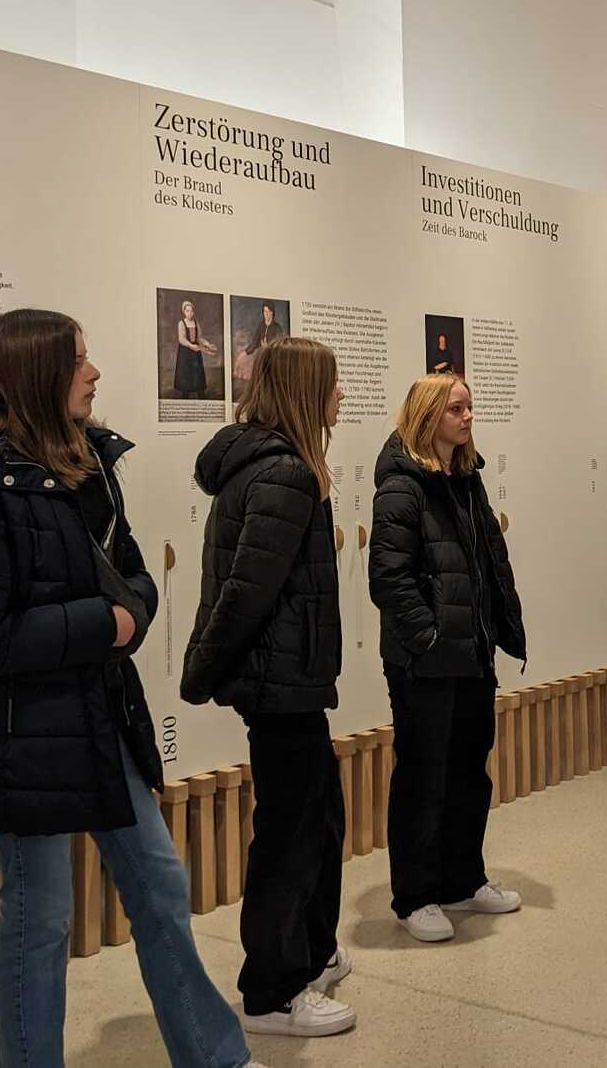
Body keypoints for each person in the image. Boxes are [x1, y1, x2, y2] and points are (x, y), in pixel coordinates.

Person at [0, 309, 253, 1067]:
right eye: (79, 359)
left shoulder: (92, 466)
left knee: (161, 888)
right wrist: (103, 624)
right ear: (39, 374)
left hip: (102, 716)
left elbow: (135, 573)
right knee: (40, 919)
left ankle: (214, 1056)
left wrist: (131, 615)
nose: (95, 371)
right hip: (20, 736)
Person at [185, 337, 356, 1037]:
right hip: (279, 682)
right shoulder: (284, 473)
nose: (341, 395)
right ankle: (272, 992)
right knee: (290, 835)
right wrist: (204, 668)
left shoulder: (278, 466)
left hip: (291, 680)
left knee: (318, 819)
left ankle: (311, 953)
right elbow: (247, 591)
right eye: (332, 384)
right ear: (305, 392)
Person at [370, 373, 528, 942]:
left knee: (468, 771)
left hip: (472, 652)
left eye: (469, 407)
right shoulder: (401, 485)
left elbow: (487, 562)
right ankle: (415, 896)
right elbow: (389, 579)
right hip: (426, 661)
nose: (467, 417)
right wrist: (430, 638)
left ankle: (463, 878)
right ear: (427, 415)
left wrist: (495, 627)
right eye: (456, 409)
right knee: (423, 777)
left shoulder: (465, 477)